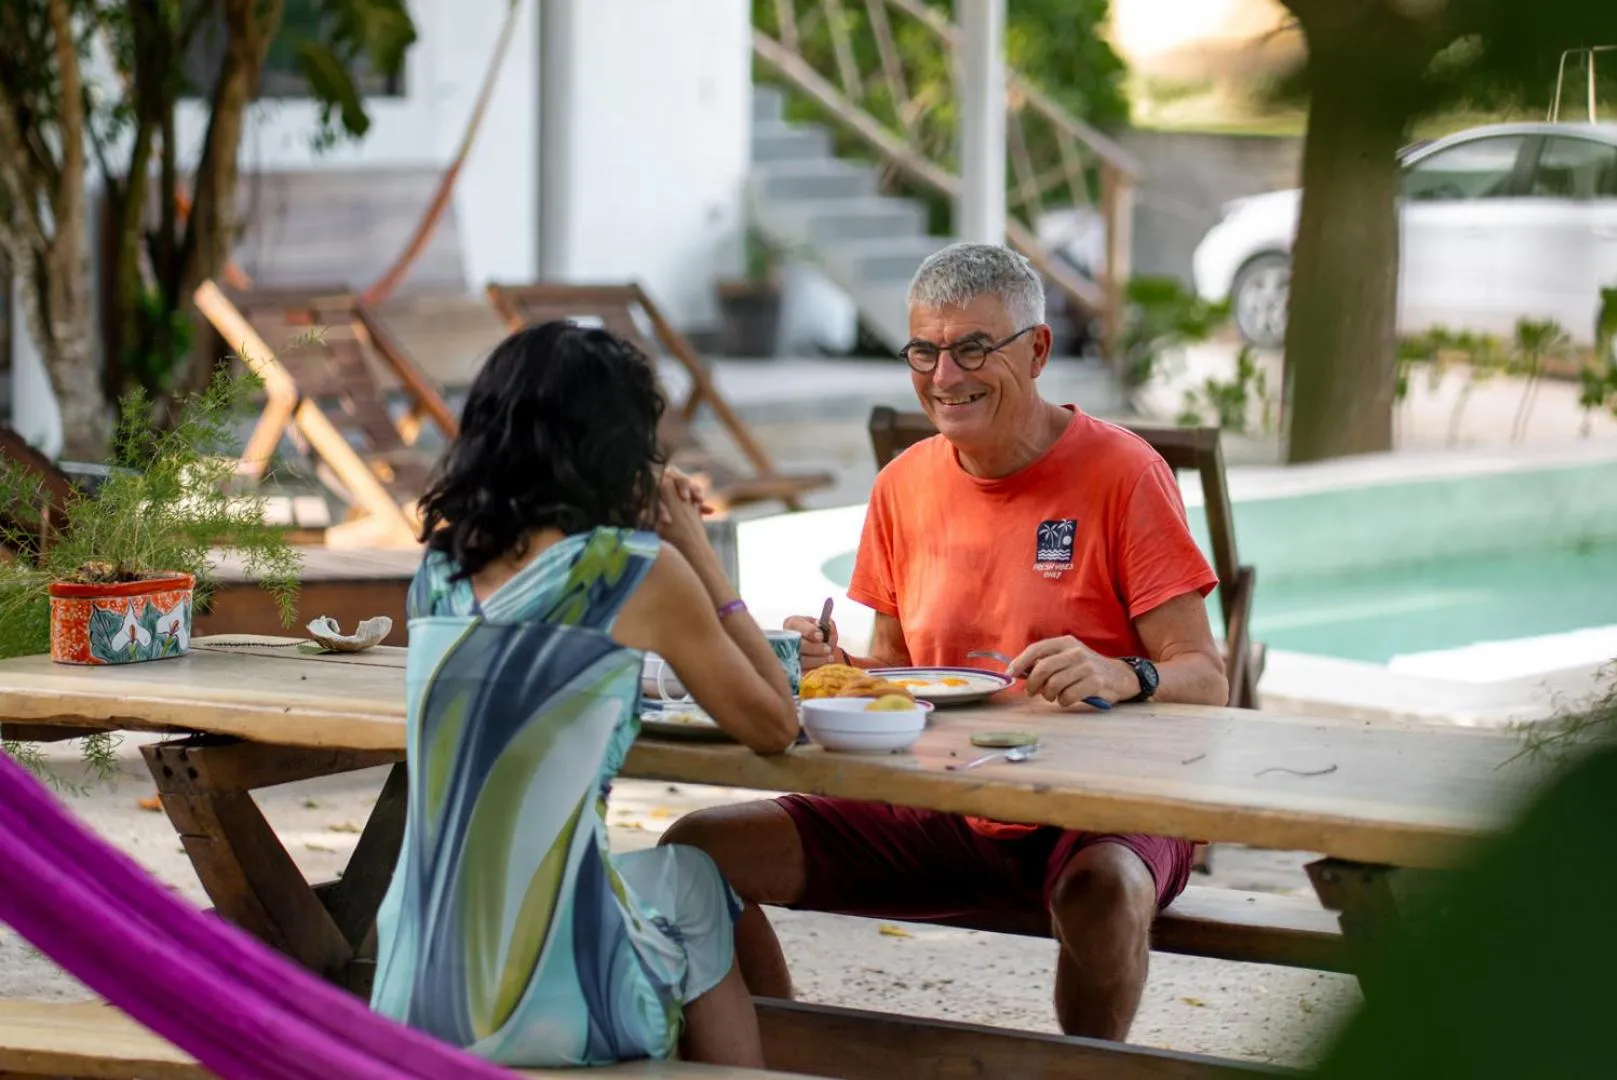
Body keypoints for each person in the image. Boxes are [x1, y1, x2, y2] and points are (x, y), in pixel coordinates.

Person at [661, 242, 1228, 1042]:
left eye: (972, 348)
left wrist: (1124, 672)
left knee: (1102, 892)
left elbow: (1206, 676)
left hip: (1101, 807)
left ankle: (1086, 1066)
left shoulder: (1124, 473)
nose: (944, 375)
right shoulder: (904, 484)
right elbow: (896, 675)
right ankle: (774, 1055)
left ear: (1037, 351)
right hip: (946, 800)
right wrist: (837, 669)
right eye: (924, 352)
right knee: (696, 851)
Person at [369, 321, 800, 1069]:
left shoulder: (438, 573)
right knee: (696, 883)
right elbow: (775, 721)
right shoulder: (633, 570)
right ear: (618, 447)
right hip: (548, 1008)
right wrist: (699, 553)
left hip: (411, 991)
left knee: (659, 881)